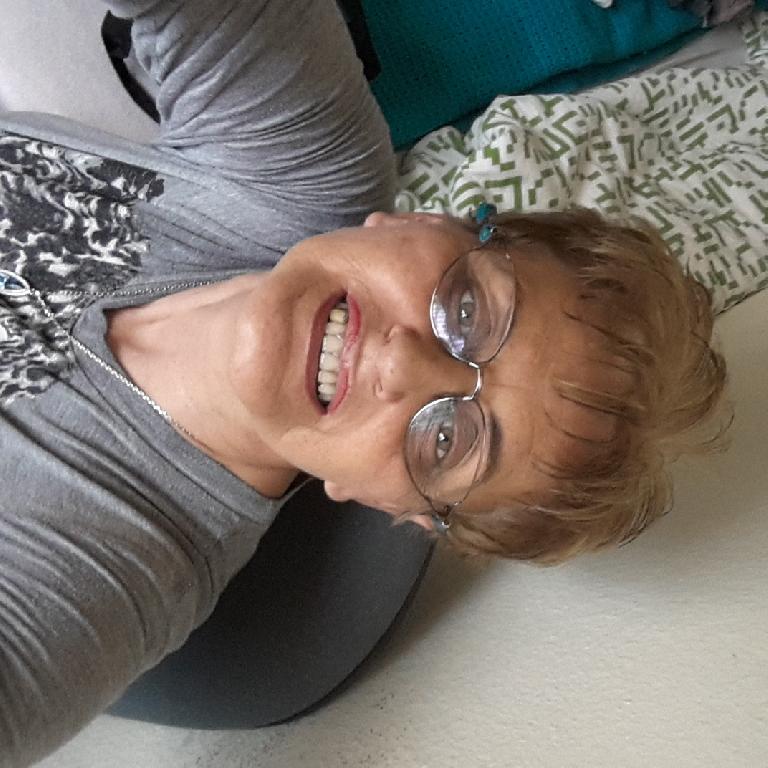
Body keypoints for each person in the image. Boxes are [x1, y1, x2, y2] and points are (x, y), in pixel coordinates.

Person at [0, 1, 727, 765]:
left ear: (391, 505)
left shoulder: (106, 576)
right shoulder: (309, 179)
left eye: (449, 441)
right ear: (425, 223)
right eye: (470, 310)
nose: (402, 366)